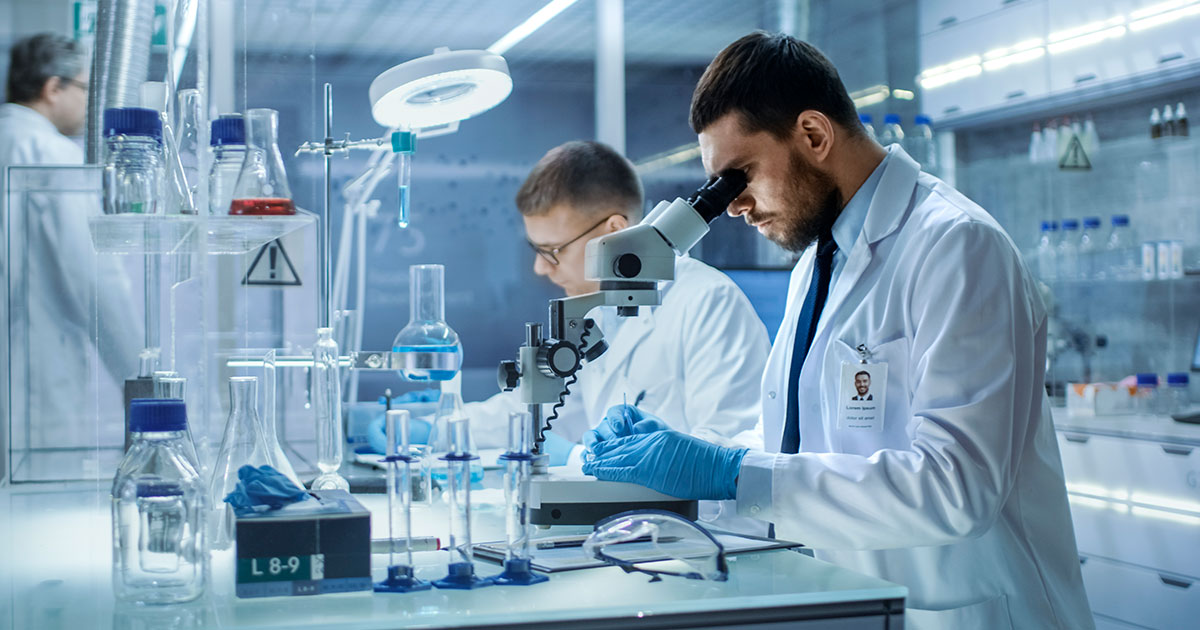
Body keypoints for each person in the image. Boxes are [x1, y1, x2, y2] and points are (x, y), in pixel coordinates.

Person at [582, 33, 1092, 629]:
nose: (735, 206)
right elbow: (806, 443)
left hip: (967, 613)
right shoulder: (818, 262)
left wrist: (728, 471)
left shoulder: (955, 245)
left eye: (738, 175)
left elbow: (958, 487)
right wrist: (696, 452)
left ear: (815, 135)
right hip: (856, 599)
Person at [368, 141, 769, 461]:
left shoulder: (708, 304)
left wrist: (578, 458)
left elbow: (731, 461)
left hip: (692, 543)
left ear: (613, 231)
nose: (541, 269)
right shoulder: (598, 312)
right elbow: (538, 413)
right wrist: (437, 424)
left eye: (552, 250)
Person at [1, 33, 141, 443]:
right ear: (51, 88)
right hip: (34, 382)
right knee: (33, 505)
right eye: (83, 88)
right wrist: (137, 377)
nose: (87, 102)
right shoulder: (51, 155)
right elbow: (93, 274)